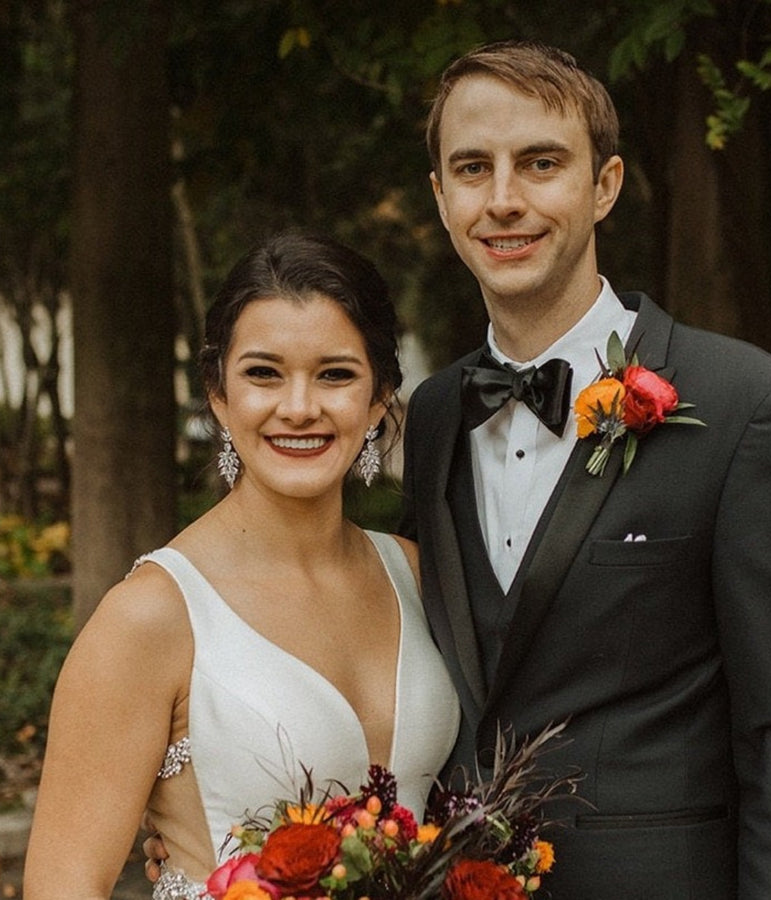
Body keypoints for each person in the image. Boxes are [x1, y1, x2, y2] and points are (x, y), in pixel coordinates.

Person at [397, 39, 771, 898]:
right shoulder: (433, 415)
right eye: (471, 168)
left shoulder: (751, 406)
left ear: (604, 185)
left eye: (540, 163)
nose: (503, 200)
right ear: (440, 198)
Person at [23, 229, 460, 900]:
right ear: (218, 393)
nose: (299, 407)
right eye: (263, 373)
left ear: (378, 399)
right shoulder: (151, 616)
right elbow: (63, 884)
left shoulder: (417, 574)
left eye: (335, 374)